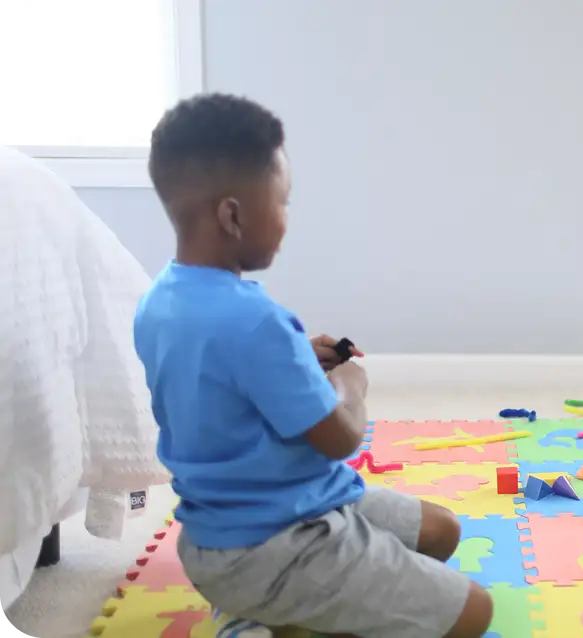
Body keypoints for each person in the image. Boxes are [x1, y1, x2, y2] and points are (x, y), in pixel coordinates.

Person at [133, 93, 492, 637]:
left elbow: (225, 387)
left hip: (218, 536)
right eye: (282, 203)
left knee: (440, 531)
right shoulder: (254, 319)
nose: (286, 219)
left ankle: (254, 609)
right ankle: (254, 611)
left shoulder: (158, 300)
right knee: (473, 613)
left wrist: (297, 361)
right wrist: (350, 383)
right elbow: (341, 438)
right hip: (283, 541)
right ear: (232, 214)